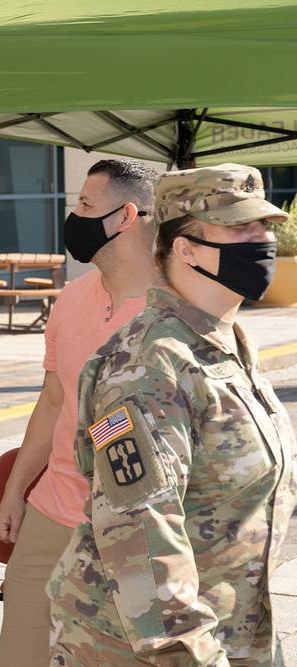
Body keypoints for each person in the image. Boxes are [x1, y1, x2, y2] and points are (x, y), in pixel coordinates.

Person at [49, 163, 297, 665]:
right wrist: (197, 656)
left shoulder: (224, 342)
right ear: (184, 247)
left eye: (266, 225)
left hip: (232, 630)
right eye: (240, 226)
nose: (263, 239)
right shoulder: (148, 363)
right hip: (152, 648)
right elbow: (140, 535)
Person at [0, 158, 159, 666]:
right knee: (21, 654)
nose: (74, 216)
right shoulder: (70, 299)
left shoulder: (173, 310)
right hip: (52, 511)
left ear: (126, 216)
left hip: (136, 530)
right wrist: (17, 492)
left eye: (86, 205)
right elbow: (53, 400)